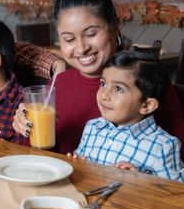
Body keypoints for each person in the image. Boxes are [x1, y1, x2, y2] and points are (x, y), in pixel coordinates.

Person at [12, 0, 184, 155]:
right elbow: (41, 155)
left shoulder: (145, 81)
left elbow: (175, 159)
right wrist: (26, 127)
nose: (81, 48)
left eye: (91, 34)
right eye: (69, 39)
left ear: (115, 28)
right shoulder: (59, 84)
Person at [68, 51, 183, 182]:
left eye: (118, 89)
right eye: (103, 84)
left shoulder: (164, 146)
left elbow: (176, 193)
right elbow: (80, 160)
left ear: (147, 105)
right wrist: (74, 162)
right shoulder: (93, 127)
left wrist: (141, 182)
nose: (104, 95)